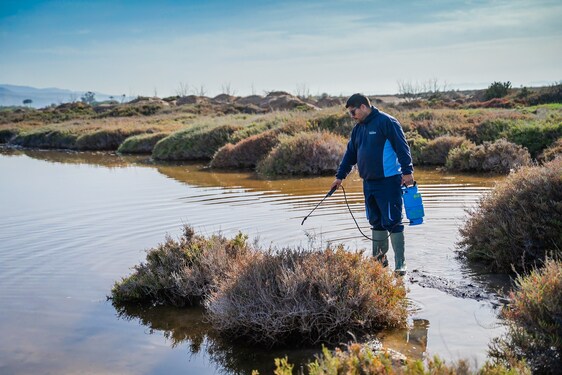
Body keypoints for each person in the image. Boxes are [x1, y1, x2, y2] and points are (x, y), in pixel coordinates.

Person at [330, 93, 414, 274]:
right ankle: (379, 262)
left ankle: (400, 263)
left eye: (353, 112)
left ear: (363, 107)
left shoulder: (387, 122)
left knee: (393, 221)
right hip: (368, 183)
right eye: (349, 114)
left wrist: (407, 172)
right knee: (375, 221)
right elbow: (350, 155)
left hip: (389, 182)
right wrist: (340, 176)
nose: (352, 116)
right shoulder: (357, 129)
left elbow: (402, 147)